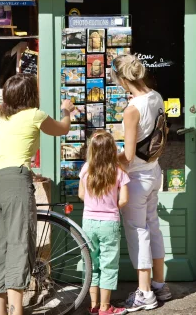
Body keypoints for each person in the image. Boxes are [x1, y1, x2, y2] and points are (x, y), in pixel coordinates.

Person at [0, 74, 75, 315]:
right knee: (18, 247)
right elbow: (62, 129)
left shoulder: (3, 116)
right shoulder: (35, 114)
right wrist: (67, 111)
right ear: (30, 95)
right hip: (15, 184)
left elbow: (13, 150)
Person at [110, 55, 172, 311]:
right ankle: (159, 284)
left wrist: (103, 159)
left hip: (136, 177)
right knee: (153, 227)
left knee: (138, 233)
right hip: (153, 172)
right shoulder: (156, 96)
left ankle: (144, 293)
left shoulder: (132, 110)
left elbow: (128, 154)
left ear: (123, 80)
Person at [78, 130, 131, 315]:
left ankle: (93, 305)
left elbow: (81, 194)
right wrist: (112, 206)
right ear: (112, 150)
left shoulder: (86, 169)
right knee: (109, 265)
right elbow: (124, 199)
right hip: (110, 223)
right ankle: (105, 307)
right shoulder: (118, 171)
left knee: (92, 263)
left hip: (89, 222)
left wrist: (94, 204)